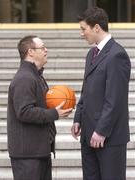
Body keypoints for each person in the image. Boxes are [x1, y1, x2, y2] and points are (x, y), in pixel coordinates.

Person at [71, 7, 131, 180]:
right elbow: (86, 91)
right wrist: (78, 119)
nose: (81, 34)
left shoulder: (117, 55)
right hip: (88, 135)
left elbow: (115, 99)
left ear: (96, 27)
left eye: (84, 29)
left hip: (109, 138)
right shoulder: (92, 53)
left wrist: (101, 131)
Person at [7, 35, 72, 180]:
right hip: (28, 156)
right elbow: (24, 112)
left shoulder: (35, 76)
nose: (46, 50)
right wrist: (54, 113)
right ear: (30, 52)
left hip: (37, 152)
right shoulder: (24, 78)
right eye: (42, 47)